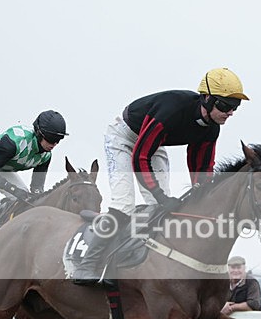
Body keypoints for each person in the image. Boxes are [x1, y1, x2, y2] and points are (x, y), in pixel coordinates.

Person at [73, 68, 249, 285]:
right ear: (207, 98)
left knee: (161, 209)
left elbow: (201, 170)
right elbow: (139, 157)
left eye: (235, 107)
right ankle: (88, 263)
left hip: (153, 144)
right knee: (123, 205)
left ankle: (134, 263)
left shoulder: (211, 129)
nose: (230, 112)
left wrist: (199, 197)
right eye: (225, 105)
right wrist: (158, 193)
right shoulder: (173, 110)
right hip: (123, 137)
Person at [0, 110, 68, 228]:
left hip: (1, 167)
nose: (54, 144)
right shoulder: (15, 143)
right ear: (39, 133)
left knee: (27, 202)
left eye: (58, 140)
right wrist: (13, 189)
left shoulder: (46, 156)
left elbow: (37, 188)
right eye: (51, 138)